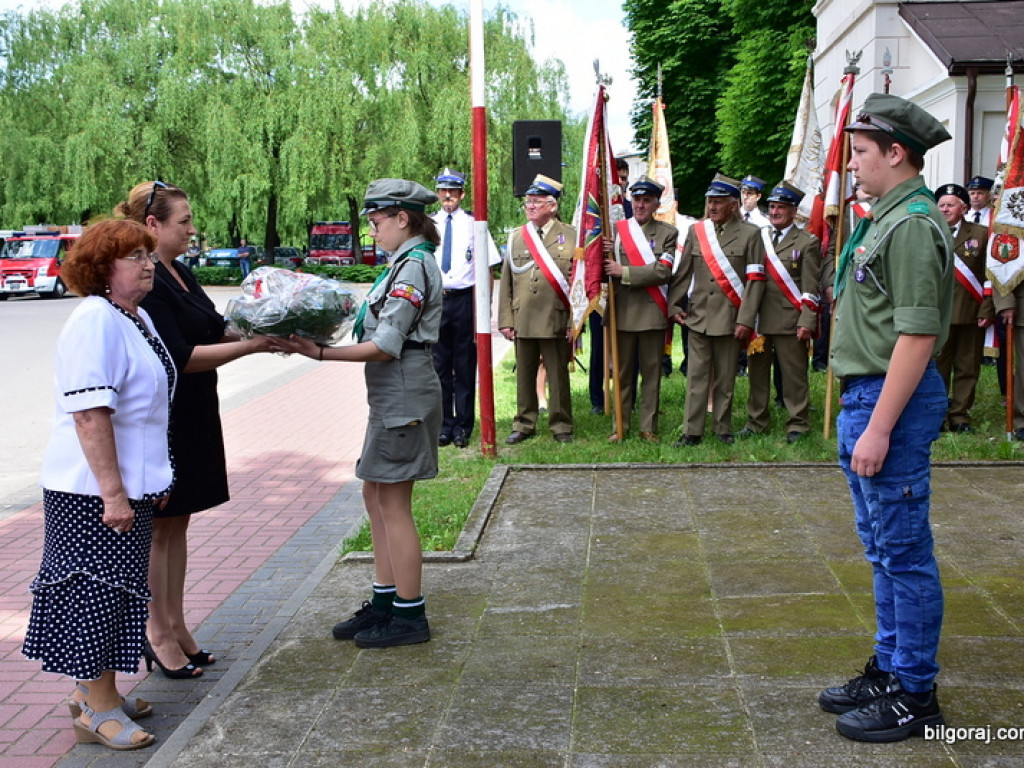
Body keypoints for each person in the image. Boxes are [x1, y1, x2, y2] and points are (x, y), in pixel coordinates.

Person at [819, 92, 953, 742]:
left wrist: (878, 428)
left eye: (861, 153)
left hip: (888, 404)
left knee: (904, 552)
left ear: (896, 153)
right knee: (883, 548)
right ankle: (891, 666)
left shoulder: (913, 225)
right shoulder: (886, 219)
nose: (852, 165)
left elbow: (917, 336)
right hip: (867, 399)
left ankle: (915, 692)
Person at [118, 182, 282, 678]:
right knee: (159, 528)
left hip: (196, 410)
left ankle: (177, 623)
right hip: (167, 415)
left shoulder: (180, 272)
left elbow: (213, 327)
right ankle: (156, 631)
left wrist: (268, 326)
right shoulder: (150, 282)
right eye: (183, 222)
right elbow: (179, 357)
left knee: (180, 522)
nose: (193, 229)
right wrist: (254, 348)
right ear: (152, 226)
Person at [22, 219, 173, 751]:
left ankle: (98, 691)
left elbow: (149, 410)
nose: (147, 263)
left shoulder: (133, 317)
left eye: (148, 254)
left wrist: (158, 474)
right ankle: (94, 705)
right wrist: (112, 491)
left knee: (119, 594)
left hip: (128, 488)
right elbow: (90, 414)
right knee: (95, 595)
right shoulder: (94, 319)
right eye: (134, 256)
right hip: (90, 492)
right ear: (102, 267)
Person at [280, 178, 442, 647]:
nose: (371, 232)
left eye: (375, 223)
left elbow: (387, 345)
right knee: (376, 496)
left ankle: (409, 616)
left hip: (404, 391)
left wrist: (320, 354)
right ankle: (386, 600)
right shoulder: (402, 264)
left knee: (393, 504)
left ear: (402, 218)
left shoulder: (413, 268)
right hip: (393, 394)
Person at [667, 173, 765, 445]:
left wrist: (746, 320)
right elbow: (684, 271)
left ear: (733, 205)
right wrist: (674, 305)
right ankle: (691, 431)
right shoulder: (697, 231)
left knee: (725, 378)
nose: (712, 207)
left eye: (718, 202)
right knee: (696, 377)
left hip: (731, 318)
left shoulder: (751, 234)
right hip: (698, 316)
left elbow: (755, 281)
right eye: (710, 201)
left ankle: (722, 428)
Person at [739, 181, 821, 442]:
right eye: (772, 207)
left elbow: (810, 288)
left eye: (781, 208)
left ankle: (798, 423)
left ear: (793, 211)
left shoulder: (807, 242)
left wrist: (806, 321)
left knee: (793, 374)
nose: (774, 212)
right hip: (761, 318)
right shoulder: (758, 237)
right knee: (758, 374)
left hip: (790, 319)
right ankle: (756, 421)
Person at [498, 174, 577, 444]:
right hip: (523, 317)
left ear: (552, 206)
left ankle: (561, 424)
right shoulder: (517, 237)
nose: (530, 206)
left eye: (536, 201)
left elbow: (577, 283)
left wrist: (573, 322)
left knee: (557, 374)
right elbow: (507, 280)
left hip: (555, 315)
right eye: (528, 202)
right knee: (524, 373)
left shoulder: (571, 236)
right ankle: (524, 422)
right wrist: (505, 319)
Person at [603, 176, 677, 442]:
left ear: (656, 203)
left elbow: (662, 271)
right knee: (621, 374)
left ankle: (648, 427)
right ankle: (619, 426)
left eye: (647, 200)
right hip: (622, 312)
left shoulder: (668, 233)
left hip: (651, 312)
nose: (641, 205)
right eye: (636, 200)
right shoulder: (617, 232)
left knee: (651, 374)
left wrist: (623, 271)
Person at [431, 167, 501, 448]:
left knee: (464, 364)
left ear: (462, 194)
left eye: (454, 191)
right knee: (438, 367)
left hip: (464, 301)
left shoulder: (475, 224)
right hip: (437, 301)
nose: (448, 196)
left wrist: (483, 309)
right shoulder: (427, 224)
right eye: (443, 191)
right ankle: (444, 425)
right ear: (437, 193)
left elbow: (487, 267)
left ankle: (463, 426)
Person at [934, 183, 993, 432]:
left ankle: (959, 415)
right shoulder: (930, 232)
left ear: (964, 208)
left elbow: (990, 275)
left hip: (971, 312)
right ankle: (936, 415)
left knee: (967, 367)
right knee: (937, 369)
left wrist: (987, 308)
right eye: (942, 205)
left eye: (950, 204)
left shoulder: (981, 234)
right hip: (938, 314)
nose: (945, 209)